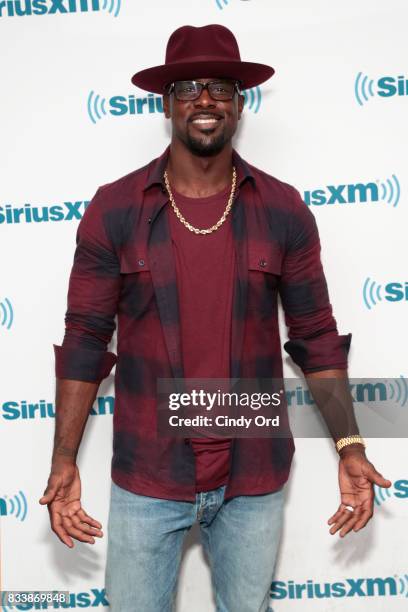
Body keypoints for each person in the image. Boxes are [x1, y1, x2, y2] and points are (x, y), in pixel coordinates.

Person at [40, 24, 391, 612]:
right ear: (166, 103)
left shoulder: (282, 209)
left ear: (240, 102)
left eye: (221, 87)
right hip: (149, 474)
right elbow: (85, 341)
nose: (205, 100)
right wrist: (63, 459)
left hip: (253, 474)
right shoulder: (116, 208)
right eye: (188, 88)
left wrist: (351, 446)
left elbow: (317, 338)